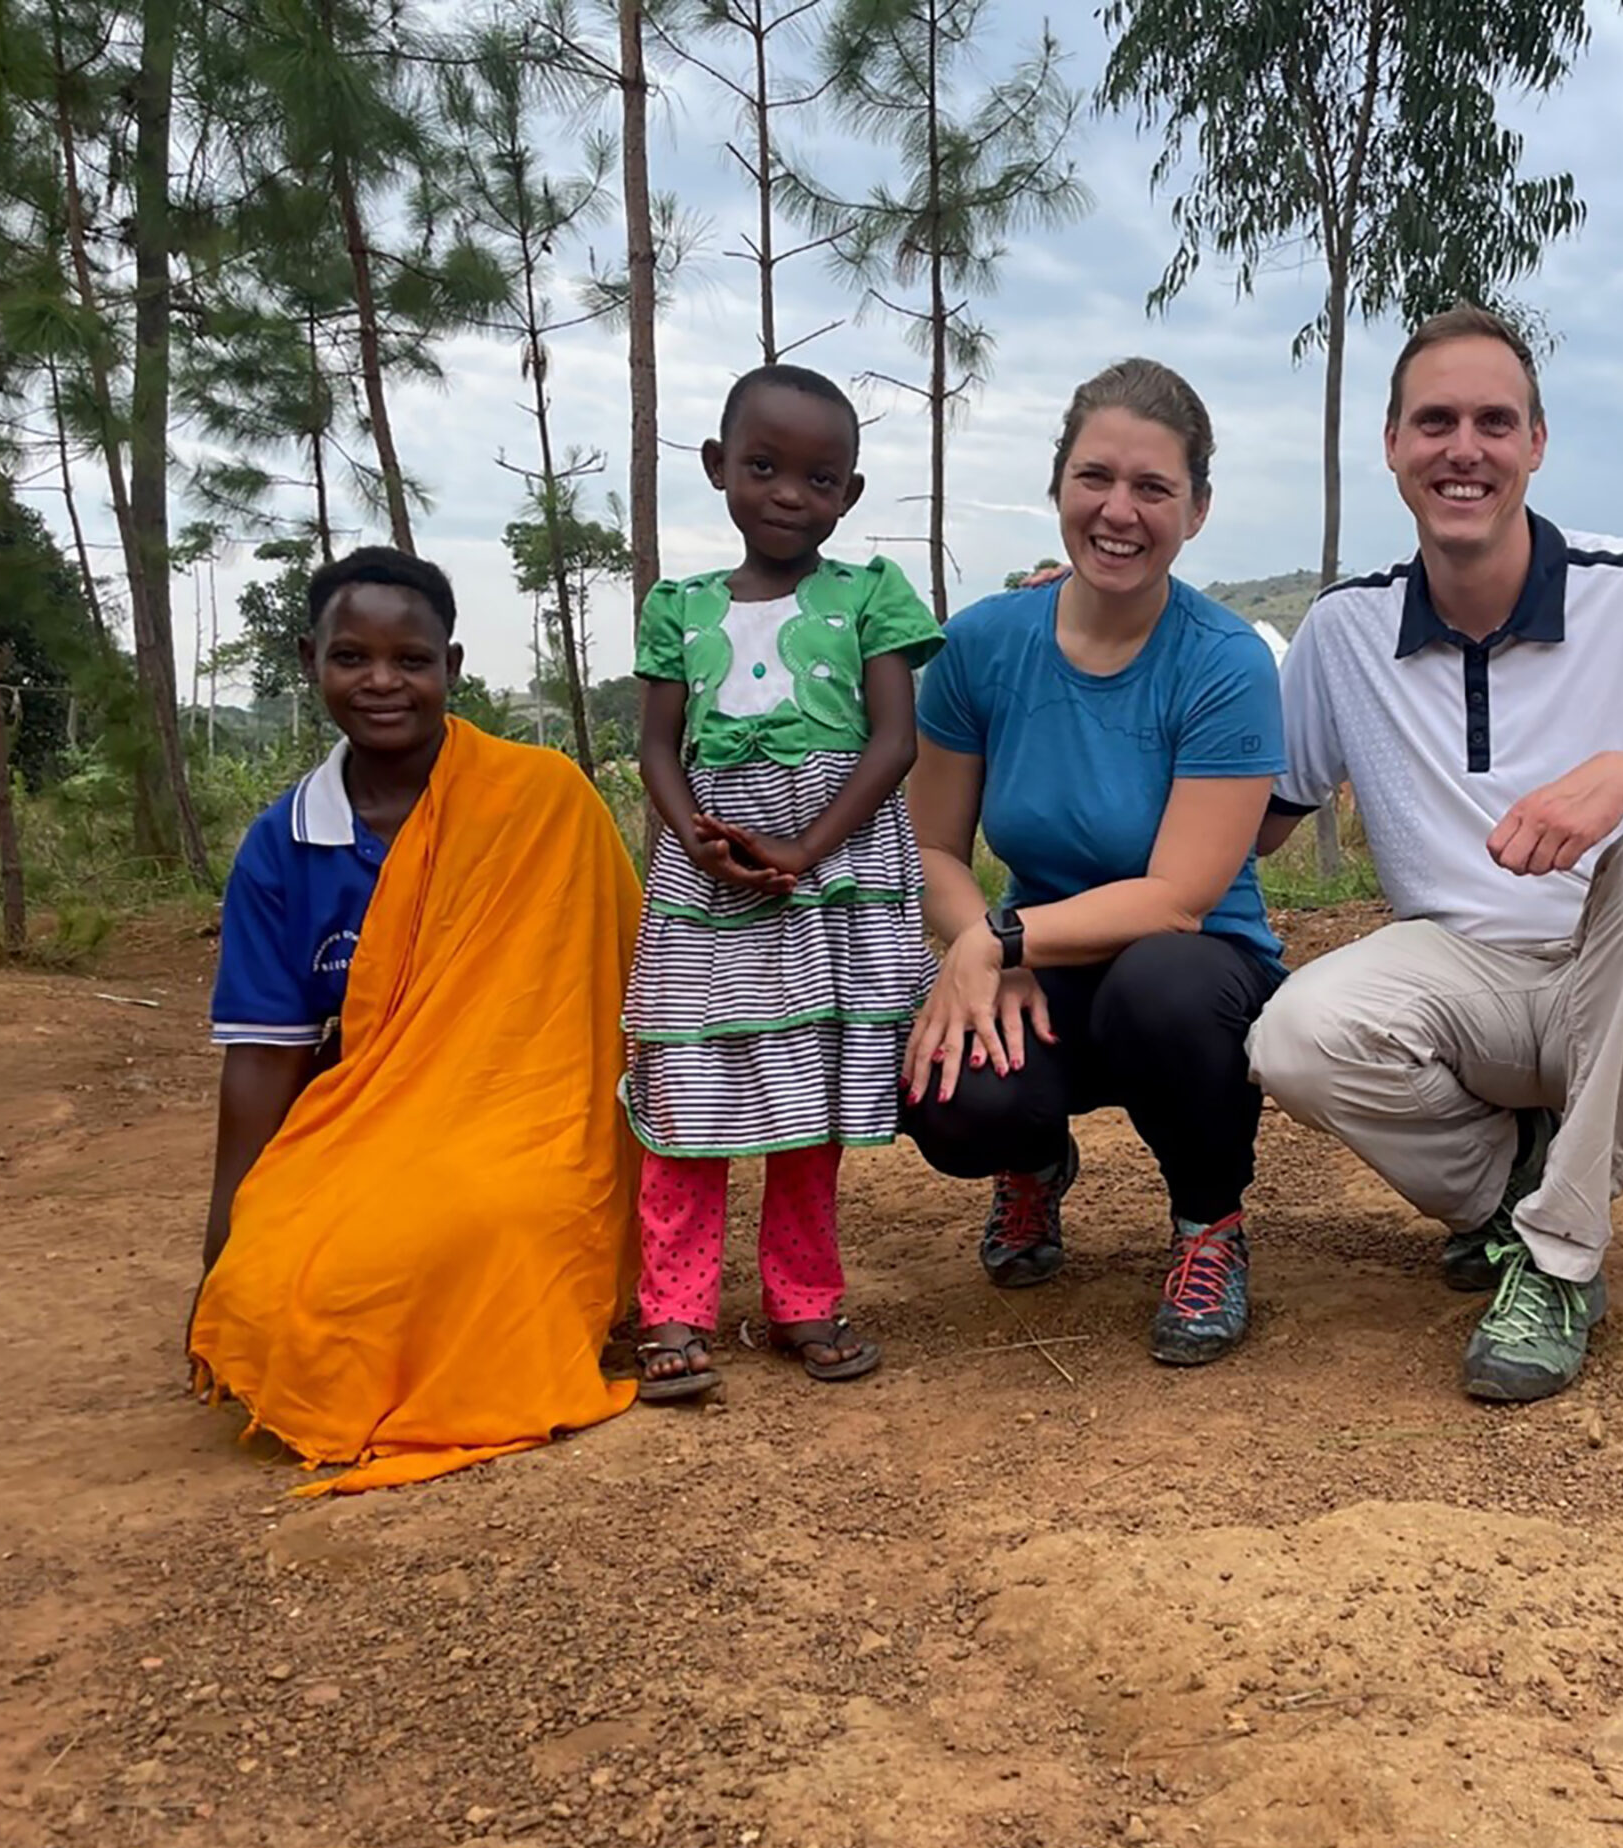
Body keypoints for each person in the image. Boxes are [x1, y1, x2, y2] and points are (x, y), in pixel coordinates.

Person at [1249, 305, 1623, 1404]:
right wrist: (1132, 652)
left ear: (1536, 444)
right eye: (1435, 422)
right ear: (1392, 444)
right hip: (1467, 982)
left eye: (1494, 422)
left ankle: (1556, 1262)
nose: (1465, 449)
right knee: (1294, 1037)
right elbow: (1255, 822)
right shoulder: (1345, 630)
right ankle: (1518, 1190)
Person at [189, 547, 643, 1494]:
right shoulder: (282, 846)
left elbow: (618, 986)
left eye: (412, 660)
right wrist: (221, 1243)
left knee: (492, 1225)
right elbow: (265, 1055)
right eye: (352, 657)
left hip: (535, 1122)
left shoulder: (542, 800)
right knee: (274, 1279)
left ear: (452, 667)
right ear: (310, 660)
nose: (382, 682)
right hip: (365, 1124)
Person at [900, 358, 1284, 1368]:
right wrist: (985, 950)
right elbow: (932, 845)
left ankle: (1209, 1224)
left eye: (1153, 487)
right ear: (1058, 484)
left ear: (1196, 510)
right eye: (1095, 478)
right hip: (1041, 964)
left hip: (1195, 967)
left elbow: (1178, 898)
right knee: (951, 1093)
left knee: (1163, 989)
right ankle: (1030, 1161)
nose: (1119, 511)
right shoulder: (982, 646)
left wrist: (1002, 937)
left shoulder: (1224, 661)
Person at [624, 363, 943, 1401]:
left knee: (809, 1086)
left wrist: (804, 850)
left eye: (820, 478)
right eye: (763, 467)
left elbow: (893, 743)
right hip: (707, 879)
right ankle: (673, 1308)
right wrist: (697, 839)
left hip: (831, 877)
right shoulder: (677, 606)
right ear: (717, 466)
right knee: (691, 1084)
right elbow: (659, 747)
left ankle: (803, 1297)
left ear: (850, 493)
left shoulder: (871, 594)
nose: (789, 495)